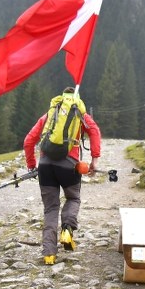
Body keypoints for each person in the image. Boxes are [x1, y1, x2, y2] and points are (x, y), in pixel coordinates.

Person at [23, 87, 102, 265]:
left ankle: (49, 254)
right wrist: (94, 160)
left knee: (50, 208)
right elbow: (94, 131)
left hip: (45, 165)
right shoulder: (79, 114)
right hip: (69, 164)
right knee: (73, 198)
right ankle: (67, 230)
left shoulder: (49, 115)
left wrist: (31, 165)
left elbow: (28, 141)